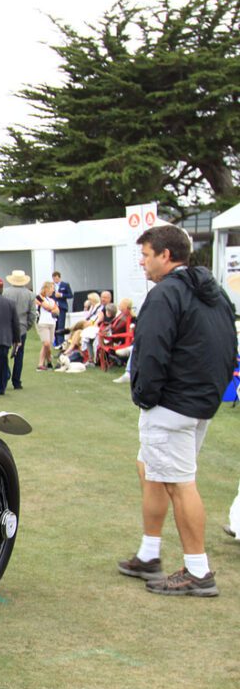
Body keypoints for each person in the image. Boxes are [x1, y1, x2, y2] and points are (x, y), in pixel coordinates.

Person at [115, 226, 236, 596]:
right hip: (198, 401)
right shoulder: (212, 293)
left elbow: (151, 350)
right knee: (150, 468)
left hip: (172, 403)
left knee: (180, 484)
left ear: (166, 256)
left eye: (147, 254)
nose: (142, 261)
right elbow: (229, 345)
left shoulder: (166, 294)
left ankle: (198, 570)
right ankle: (149, 553)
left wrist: (145, 395)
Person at [3, 270, 34, 390]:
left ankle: (5, 375)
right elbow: (32, 314)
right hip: (21, 328)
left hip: (6, 327)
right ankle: (17, 381)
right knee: (19, 355)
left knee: (3, 353)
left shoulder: (5, 292)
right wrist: (28, 326)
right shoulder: (30, 295)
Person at [33, 283, 59, 371]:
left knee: (49, 344)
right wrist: (53, 308)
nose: (53, 290)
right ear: (46, 288)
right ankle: (44, 362)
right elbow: (47, 307)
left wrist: (53, 308)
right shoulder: (39, 297)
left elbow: (57, 311)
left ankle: (48, 363)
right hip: (42, 322)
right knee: (46, 343)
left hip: (51, 322)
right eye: (52, 288)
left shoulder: (51, 300)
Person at [51, 271, 73, 347]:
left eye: (57, 278)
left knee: (61, 325)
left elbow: (70, 295)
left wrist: (61, 295)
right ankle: (55, 342)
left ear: (59, 278)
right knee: (54, 325)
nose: (55, 280)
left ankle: (61, 342)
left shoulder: (65, 285)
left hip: (61, 307)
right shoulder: (51, 285)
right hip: (53, 307)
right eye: (54, 278)